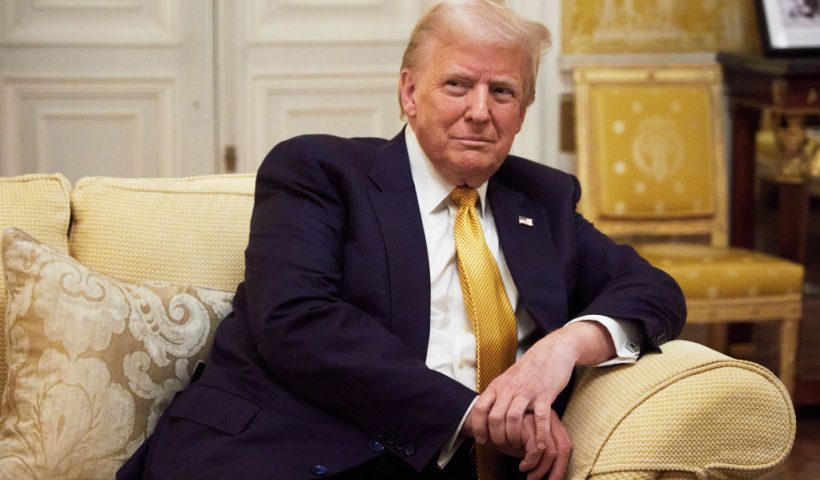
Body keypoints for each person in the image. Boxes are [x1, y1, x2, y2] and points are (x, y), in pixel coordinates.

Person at [117, 1, 685, 479]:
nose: (479, 111)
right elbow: (296, 320)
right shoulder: (320, 171)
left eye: (503, 91)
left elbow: (653, 290)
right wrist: (475, 416)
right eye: (457, 85)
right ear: (409, 92)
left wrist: (561, 349)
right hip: (280, 451)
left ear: (522, 112)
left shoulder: (542, 200)